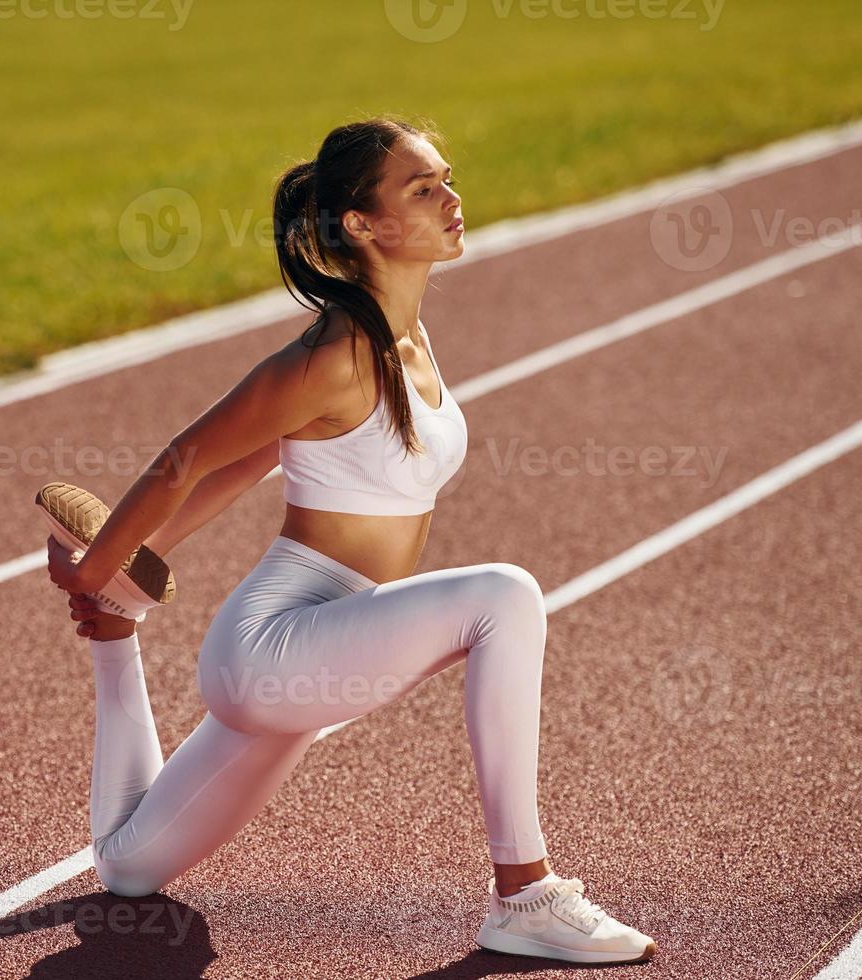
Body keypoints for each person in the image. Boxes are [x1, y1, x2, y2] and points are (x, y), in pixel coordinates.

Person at [42, 117, 657, 964]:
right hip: (273, 647)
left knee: (130, 871)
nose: (452, 198)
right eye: (423, 188)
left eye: (446, 178)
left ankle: (118, 643)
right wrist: (95, 568)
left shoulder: (406, 333)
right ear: (363, 226)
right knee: (504, 596)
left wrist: (123, 594)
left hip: (326, 643)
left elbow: (255, 461)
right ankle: (524, 894)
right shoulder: (334, 354)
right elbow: (184, 460)